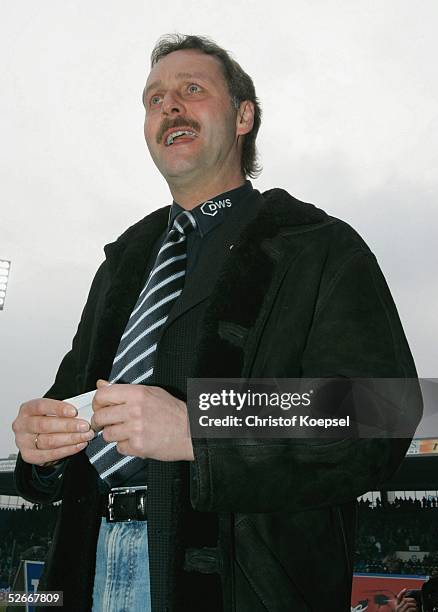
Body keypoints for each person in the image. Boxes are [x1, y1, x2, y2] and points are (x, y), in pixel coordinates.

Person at [12, 34, 422, 612]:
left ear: (243, 117)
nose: (169, 107)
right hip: (92, 564)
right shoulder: (122, 264)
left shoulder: (321, 249)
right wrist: (43, 440)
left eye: (192, 90)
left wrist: (199, 428)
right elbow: (73, 394)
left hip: (241, 585)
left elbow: (383, 409)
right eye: (154, 99)